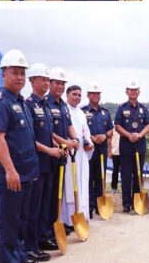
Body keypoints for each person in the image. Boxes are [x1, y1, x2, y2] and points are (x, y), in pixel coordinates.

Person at [0, 50, 38, 263]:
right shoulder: (1, 102)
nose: (20, 77)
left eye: (22, 74)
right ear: (4, 74)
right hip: (11, 175)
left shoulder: (22, 103)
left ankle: (19, 258)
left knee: (21, 221)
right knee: (9, 224)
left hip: (26, 174)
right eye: (15, 72)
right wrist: (10, 170)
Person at [23, 63, 61, 259]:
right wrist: (49, 150)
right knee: (33, 206)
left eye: (48, 80)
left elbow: (48, 133)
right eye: (42, 79)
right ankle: (30, 246)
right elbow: (29, 138)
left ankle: (41, 237)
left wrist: (60, 144)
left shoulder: (45, 105)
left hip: (49, 164)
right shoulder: (28, 104)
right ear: (32, 81)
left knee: (45, 204)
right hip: (36, 163)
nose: (46, 83)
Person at [45, 67, 77, 237]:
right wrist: (65, 142)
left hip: (64, 154)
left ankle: (58, 222)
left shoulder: (63, 105)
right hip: (51, 155)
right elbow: (47, 131)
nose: (60, 86)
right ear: (50, 83)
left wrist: (75, 139)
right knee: (50, 195)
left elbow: (70, 125)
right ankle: (49, 230)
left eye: (63, 83)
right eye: (57, 83)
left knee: (60, 192)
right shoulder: (45, 103)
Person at [113, 80, 149, 213]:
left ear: (138, 92)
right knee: (125, 175)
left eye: (135, 90)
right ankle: (126, 203)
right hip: (126, 146)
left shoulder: (144, 108)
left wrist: (140, 135)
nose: (133, 92)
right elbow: (117, 125)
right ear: (127, 91)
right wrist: (129, 135)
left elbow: (148, 124)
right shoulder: (122, 108)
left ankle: (137, 201)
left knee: (138, 175)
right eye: (131, 90)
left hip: (139, 145)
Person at [62, 85, 93, 228]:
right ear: (67, 95)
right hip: (70, 154)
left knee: (82, 184)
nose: (77, 97)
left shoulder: (81, 112)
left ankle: (82, 215)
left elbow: (85, 132)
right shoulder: (64, 109)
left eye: (79, 95)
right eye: (74, 94)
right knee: (70, 186)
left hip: (82, 155)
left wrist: (89, 142)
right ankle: (69, 220)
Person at [82, 82, 112, 217]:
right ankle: (89, 207)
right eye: (93, 93)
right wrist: (91, 138)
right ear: (88, 95)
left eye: (98, 94)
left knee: (101, 177)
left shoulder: (105, 112)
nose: (95, 96)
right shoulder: (83, 111)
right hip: (89, 150)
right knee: (89, 178)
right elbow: (81, 130)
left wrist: (105, 135)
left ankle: (100, 206)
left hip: (102, 150)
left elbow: (111, 129)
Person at [109, 128, 121, 194]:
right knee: (115, 170)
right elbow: (109, 139)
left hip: (124, 153)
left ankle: (124, 187)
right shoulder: (113, 128)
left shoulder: (124, 126)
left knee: (125, 172)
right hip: (115, 152)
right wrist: (110, 151)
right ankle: (114, 187)